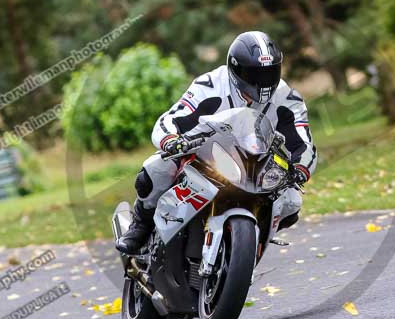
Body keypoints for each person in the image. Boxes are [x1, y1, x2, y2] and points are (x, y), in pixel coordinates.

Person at [116, 31, 318, 254]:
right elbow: (172, 118)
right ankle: (140, 225)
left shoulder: (287, 98)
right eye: (253, 73)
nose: (262, 81)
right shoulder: (210, 85)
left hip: (256, 164)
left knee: (291, 202)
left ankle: (250, 242)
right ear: (235, 69)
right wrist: (173, 139)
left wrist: (299, 169)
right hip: (206, 154)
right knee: (156, 169)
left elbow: (304, 143)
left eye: (269, 72)